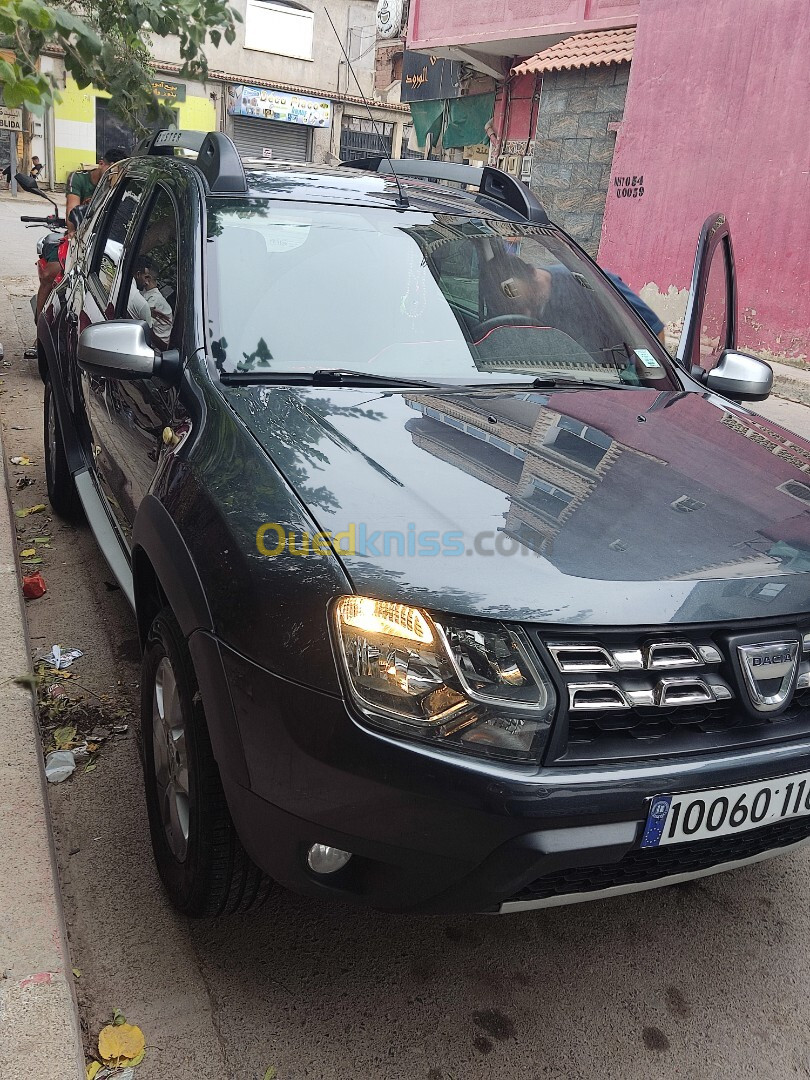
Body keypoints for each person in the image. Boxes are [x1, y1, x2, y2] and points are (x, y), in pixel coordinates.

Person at [36, 146, 127, 321]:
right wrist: (73, 232)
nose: (114, 174)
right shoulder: (78, 178)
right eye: (112, 169)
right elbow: (72, 210)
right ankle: (40, 325)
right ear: (102, 164)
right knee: (50, 273)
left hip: (103, 240)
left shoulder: (118, 184)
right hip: (78, 234)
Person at [132, 255, 174, 346]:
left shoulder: (155, 300)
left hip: (156, 350)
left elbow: (143, 327)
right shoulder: (146, 293)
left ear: (147, 278)